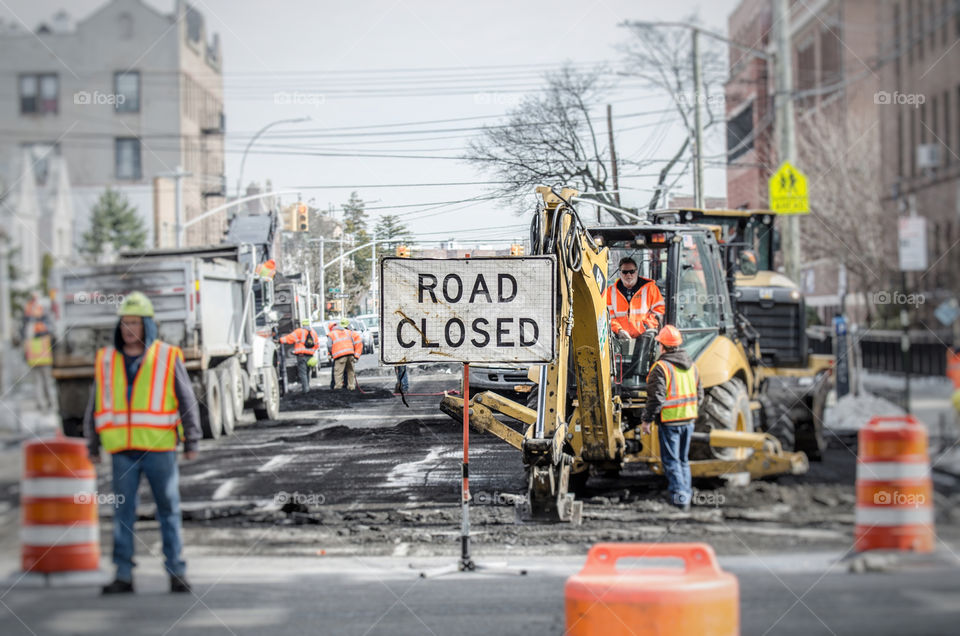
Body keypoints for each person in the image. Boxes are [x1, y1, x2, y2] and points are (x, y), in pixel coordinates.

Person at [83, 292, 201, 594]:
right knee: (122, 512)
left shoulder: (167, 355)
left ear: (147, 324)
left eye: (134, 322)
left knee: (168, 509)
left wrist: (192, 440)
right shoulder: (107, 359)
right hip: (122, 449)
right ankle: (123, 574)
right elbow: (95, 403)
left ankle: (176, 571)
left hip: (159, 447)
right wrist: (91, 444)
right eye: (124, 322)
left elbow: (187, 399)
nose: (128, 328)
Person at [640, 325, 703, 511]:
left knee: (672, 461)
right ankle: (685, 495)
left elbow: (656, 398)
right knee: (683, 460)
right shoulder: (692, 366)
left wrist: (646, 420)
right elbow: (700, 394)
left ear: (662, 346)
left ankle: (680, 499)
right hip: (688, 420)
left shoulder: (661, 368)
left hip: (671, 422)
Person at [606, 256, 665, 340]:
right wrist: (619, 330)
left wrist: (646, 327)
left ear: (636, 272)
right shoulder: (610, 292)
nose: (629, 275)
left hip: (645, 337)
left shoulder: (650, 288)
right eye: (625, 272)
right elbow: (609, 317)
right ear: (620, 273)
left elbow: (659, 311)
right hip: (620, 339)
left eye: (632, 271)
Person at [22, 292, 56, 411]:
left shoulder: (27, 316)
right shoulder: (43, 314)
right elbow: (52, 332)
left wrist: (25, 355)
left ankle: (42, 404)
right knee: (47, 381)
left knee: (38, 382)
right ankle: (50, 402)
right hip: (45, 356)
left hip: (33, 357)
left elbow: (24, 338)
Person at [278, 320, 321, 393]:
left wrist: (280, 340)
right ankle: (307, 388)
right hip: (310, 356)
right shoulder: (313, 332)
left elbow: (289, 338)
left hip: (301, 356)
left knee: (302, 373)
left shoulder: (299, 331)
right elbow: (317, 344)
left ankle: (306, 390)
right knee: (307, 372)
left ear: (302, 324)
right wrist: (311, 350)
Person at [327, 319, 359, 391]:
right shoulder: (348, 332)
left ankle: (338, 387)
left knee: (338, 372)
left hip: (340, 355)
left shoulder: (331, 334)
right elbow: (353, 343)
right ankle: (351, 386)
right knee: (350, 370)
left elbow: (329, 345)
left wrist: (331, 353)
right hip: (350, 354)